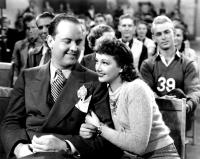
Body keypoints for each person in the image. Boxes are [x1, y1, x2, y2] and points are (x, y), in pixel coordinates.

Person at [1, 13, 122, 159]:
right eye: (67, 41)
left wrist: (66, 145)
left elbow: (108, 137)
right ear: (50, 41)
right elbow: (10, 122)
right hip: (29, 151)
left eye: (78, 42)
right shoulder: (27, 77)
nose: (74, 48)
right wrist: (19, 148)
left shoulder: (96, 81)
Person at [79, 37, 180, 159]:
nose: (98, 68)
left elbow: (138, 146)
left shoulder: (136, 89)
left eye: (105, 63)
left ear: (122, 67)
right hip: (128, 155)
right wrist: (88, 130)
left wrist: (100, 128)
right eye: (97, 61)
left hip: (159, 155)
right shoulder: (104, 88)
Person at [140, 15, 200, 130]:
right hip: (155, 119)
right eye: (159, 34)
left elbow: (194, 90)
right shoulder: (148, 65)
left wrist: (187, 104)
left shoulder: (187, 64)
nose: (163, 37)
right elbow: (146, 92)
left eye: (167, 32)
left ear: (173, 33)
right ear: (153, 38)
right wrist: (164, 103)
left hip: (180, 119)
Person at [12, 13, 42, 79]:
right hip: (22, 82)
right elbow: (14, 67)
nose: (30, 31)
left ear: (38, 28)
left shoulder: (45, 46)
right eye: (28, 28)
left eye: (33, 27)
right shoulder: (19, 45)